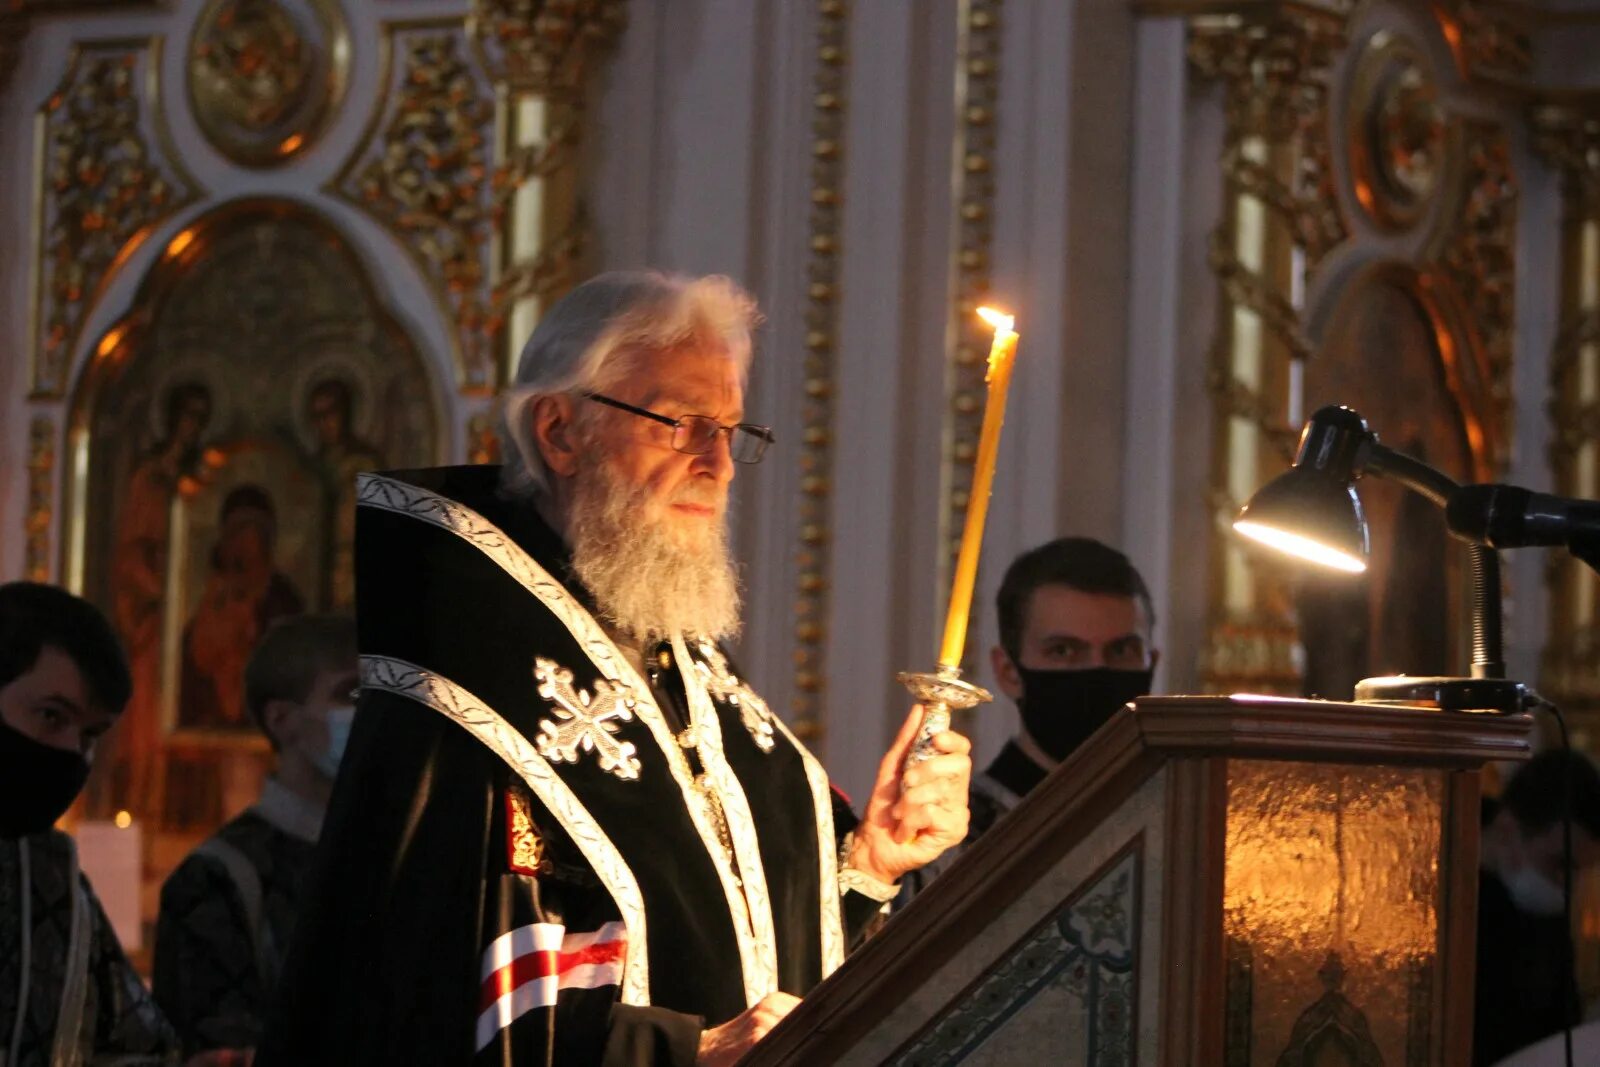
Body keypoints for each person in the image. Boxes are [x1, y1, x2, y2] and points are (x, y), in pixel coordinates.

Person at [257, 271, 972, 1067]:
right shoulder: (466, 684)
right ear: (560, 431)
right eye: (681, 423)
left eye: (734, 430)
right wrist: (680, 1054)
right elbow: (431, 984)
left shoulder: (685, 672)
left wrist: (870, 863)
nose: (719, 463)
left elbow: (743, 946)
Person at [902, 537, 1158, 897]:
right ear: (1008, 672)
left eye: (1122, 650)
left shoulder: (1178, 815)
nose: (1098, 671)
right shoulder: (950, 834)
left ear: (1153, 661)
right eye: (1064, 650)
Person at [155, 615, 357, 1059]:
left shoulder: (390, 852)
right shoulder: (215, 878)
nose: (372, 714)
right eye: (351, 693)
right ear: (283, 720)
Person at [0, 581, 181, 1066]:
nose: (69, 752)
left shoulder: (53, 879)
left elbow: (134, 1042)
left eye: (90, 735)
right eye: (51, 717)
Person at [1474, 749, 1600, 1066]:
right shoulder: (1444, 902)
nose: (1568, 884)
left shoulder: (1544, 911)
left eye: (1581, 870)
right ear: (1507, 830)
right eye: (1560, 864)